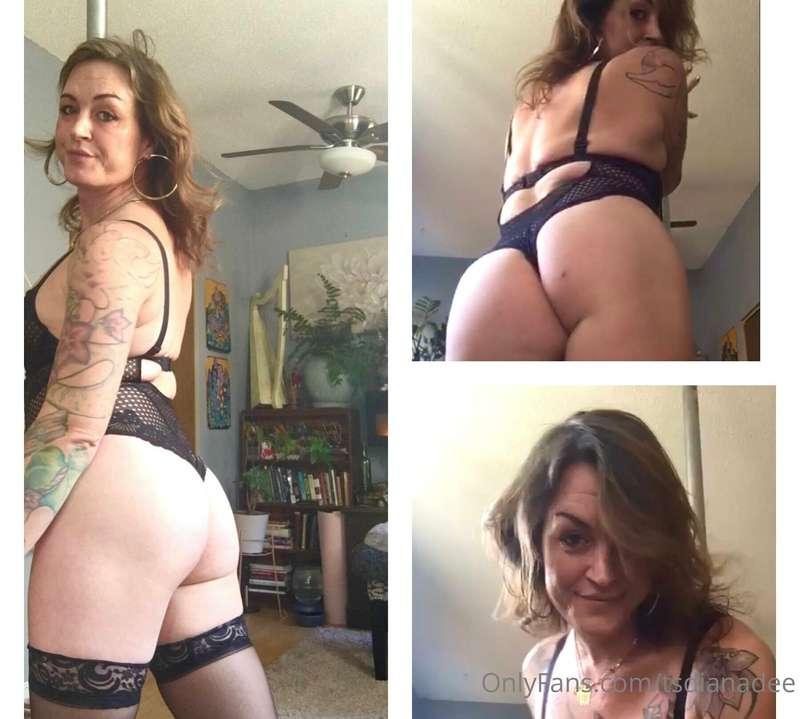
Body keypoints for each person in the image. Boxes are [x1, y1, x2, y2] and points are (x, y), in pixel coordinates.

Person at [24, 32, 277, 718]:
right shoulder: (160, 239)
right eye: (68, 107)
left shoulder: (113, 242)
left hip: (116, 497)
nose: (79, 127)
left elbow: (73, 423)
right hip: (187, 493)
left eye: (106, 113)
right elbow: (145, 372)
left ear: (147, 141)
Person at [446, 0, 706, 360]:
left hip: (496, 269)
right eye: (638, 13)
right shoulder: (658, 64)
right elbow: (669, 178)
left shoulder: (528, 104)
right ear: (594, 16)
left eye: (663, 21)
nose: (656, 33)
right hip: (598, 228)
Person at [483, 409, 776, 718]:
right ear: (533, 545)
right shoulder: (540, 671)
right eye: (574, 539)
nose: (604, 574)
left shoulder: (729, 676)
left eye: (628, 540)